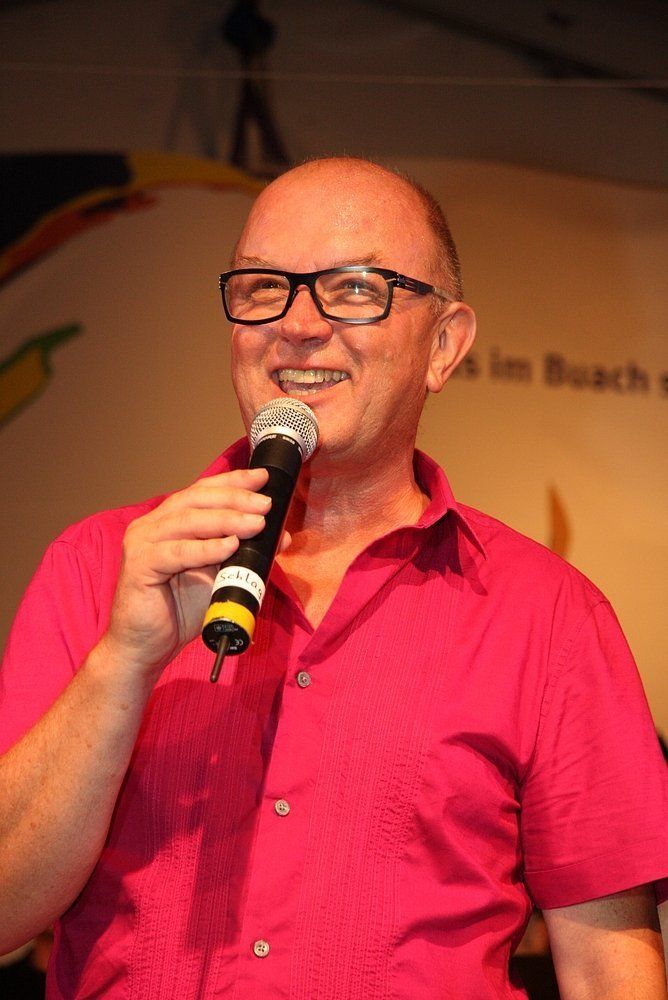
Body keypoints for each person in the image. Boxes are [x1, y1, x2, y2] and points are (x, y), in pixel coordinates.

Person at [0, 157, 666, 999]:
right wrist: (122, 662)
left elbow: (609, 970)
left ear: (444, 345)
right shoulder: (100, 565)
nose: (298, 324)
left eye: (354, 289)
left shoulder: (548, 613)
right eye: (263, 287)